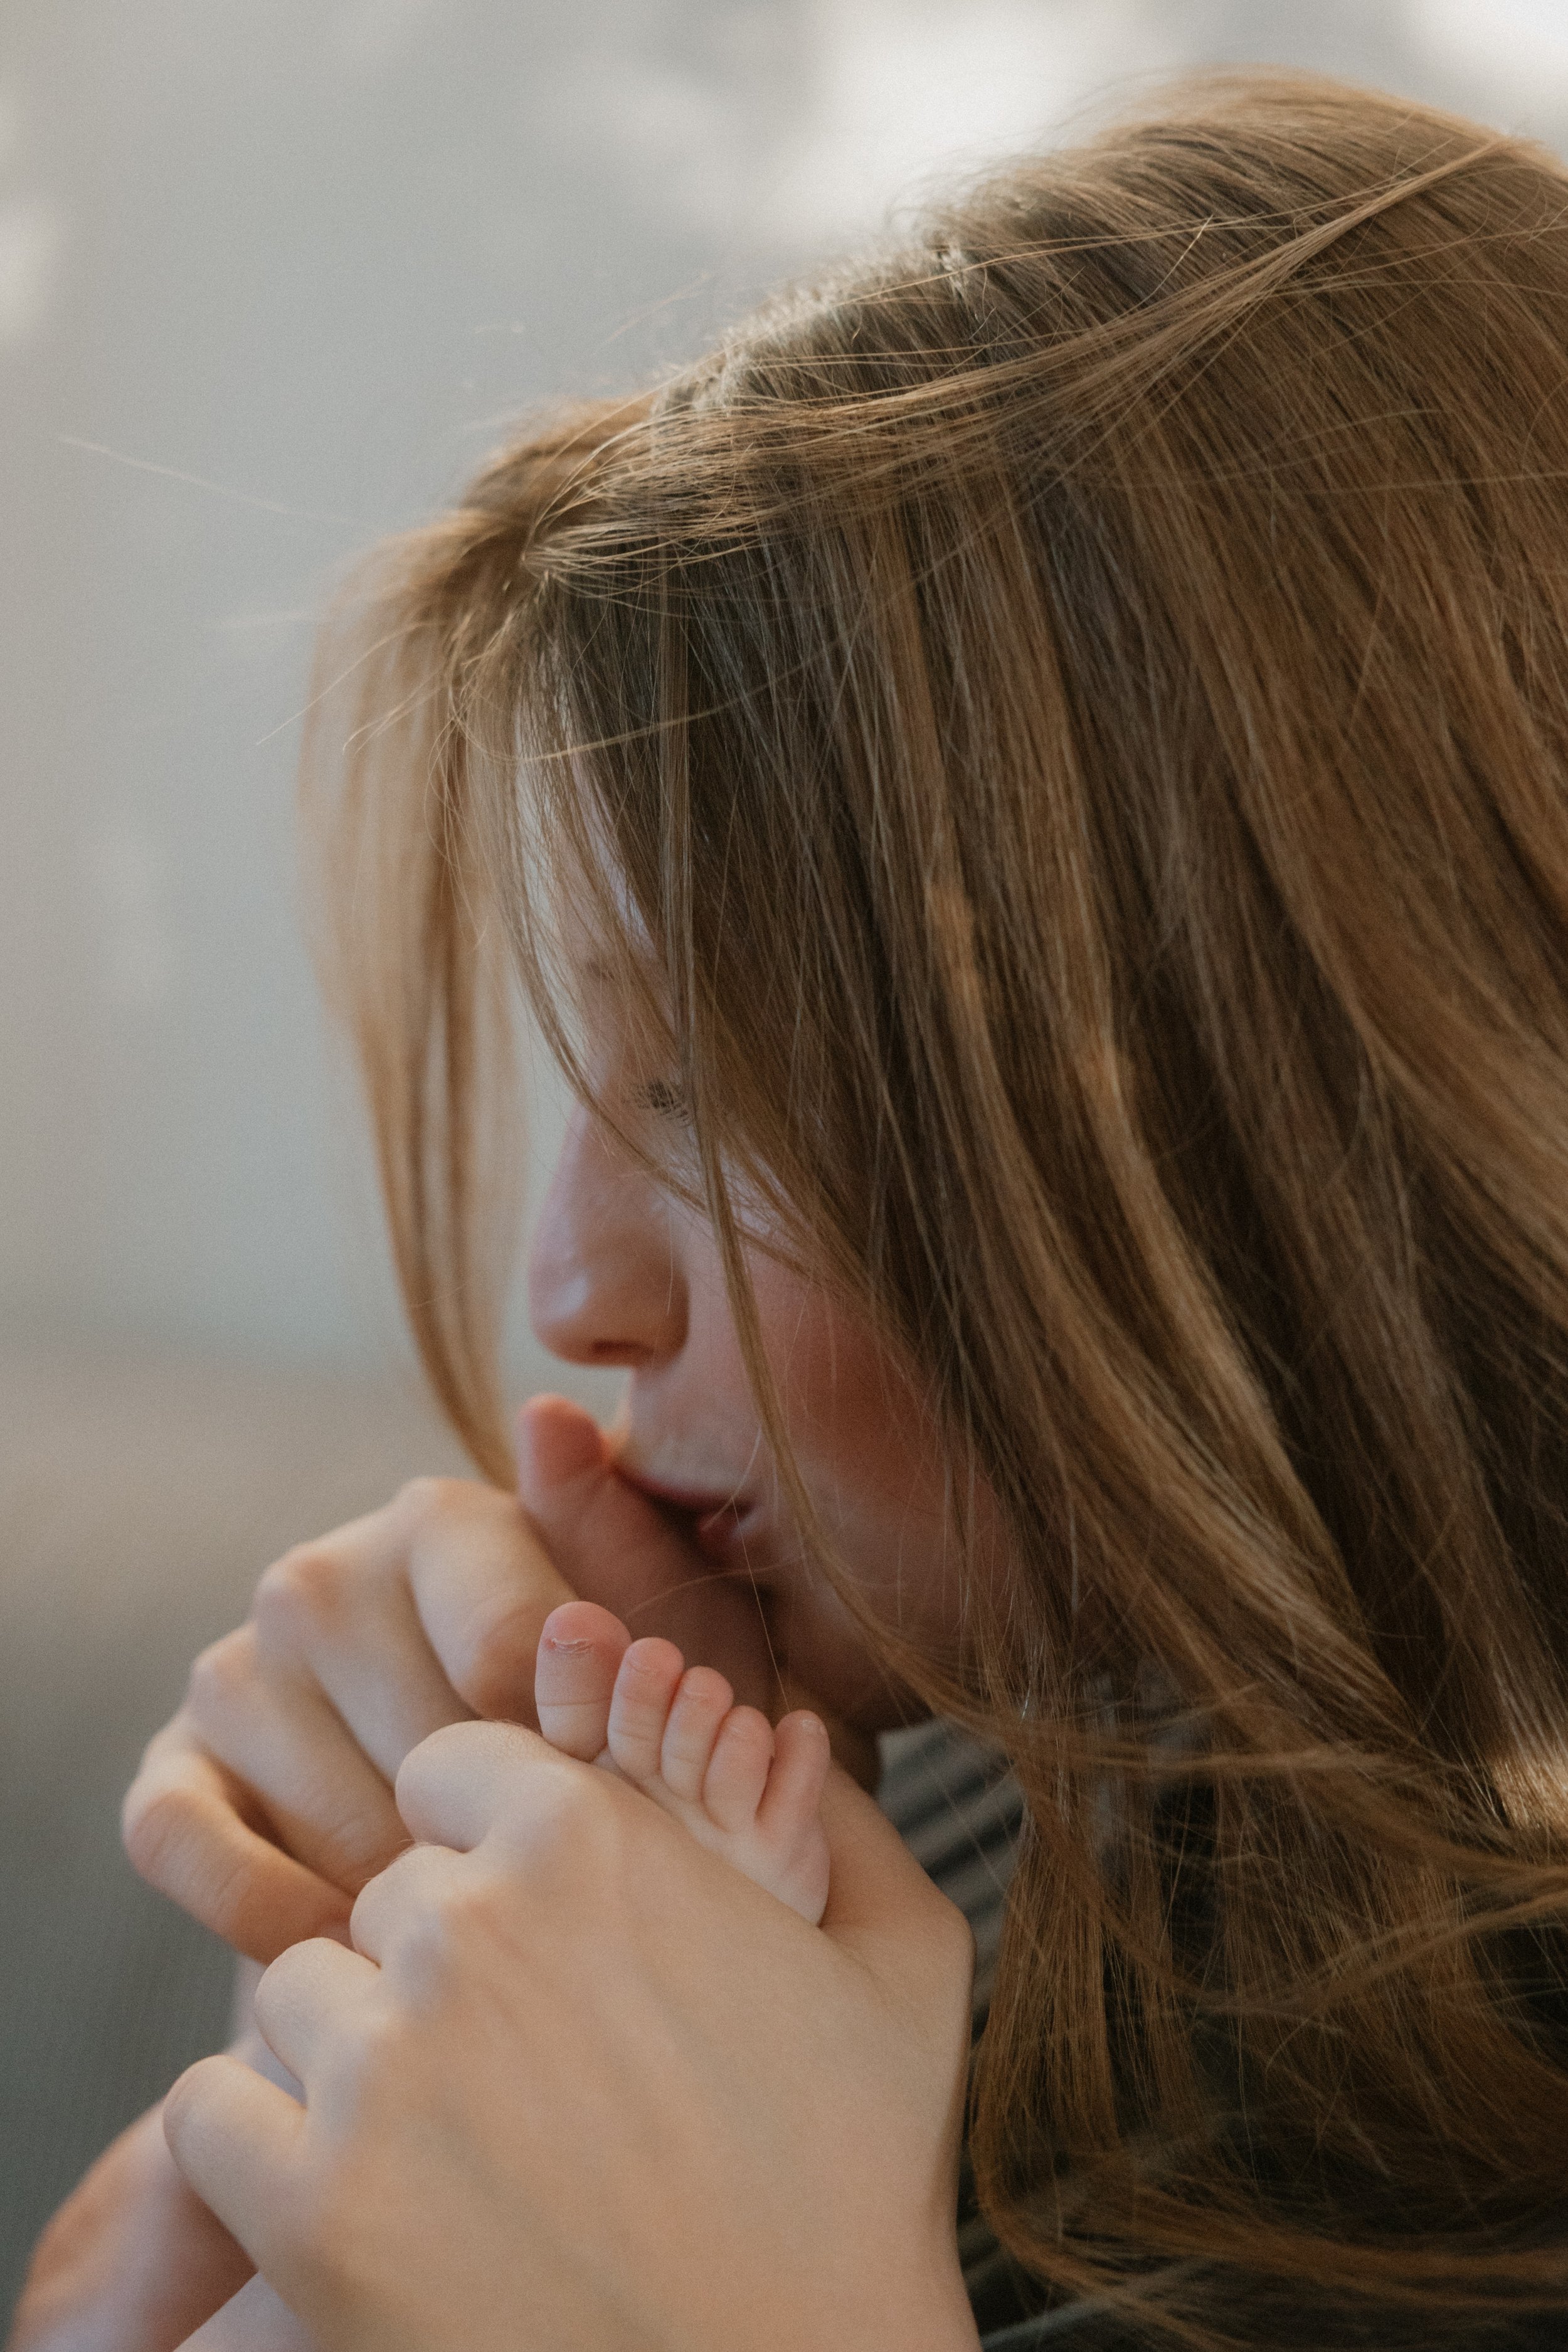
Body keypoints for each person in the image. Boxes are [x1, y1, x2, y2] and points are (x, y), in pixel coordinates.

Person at [14, 66, 1568, 2351]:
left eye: (729, 1089)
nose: (571, 1284)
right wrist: (377, 2065)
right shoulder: (1045, 1847)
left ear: (1292, 1087)